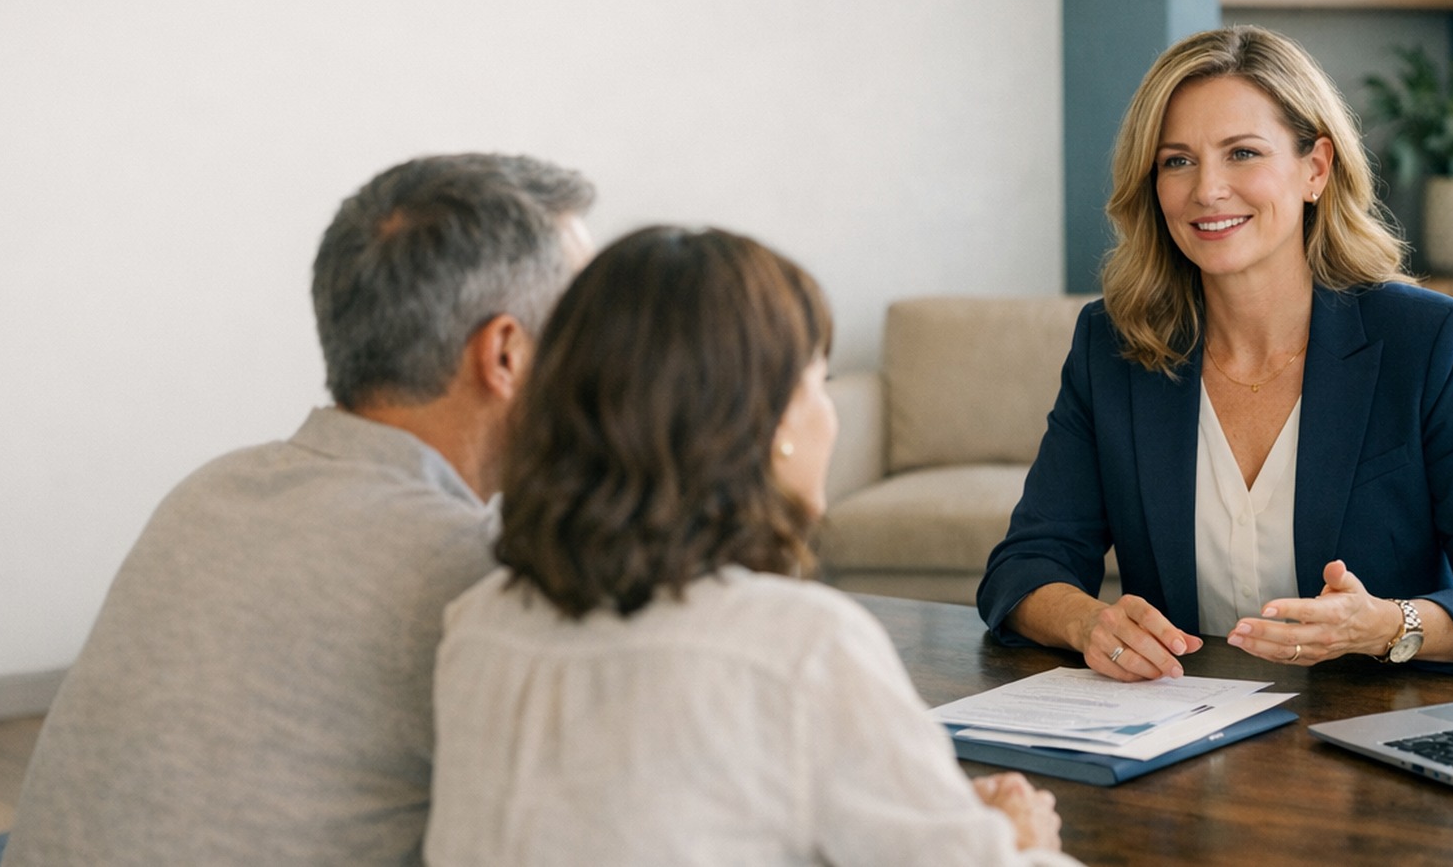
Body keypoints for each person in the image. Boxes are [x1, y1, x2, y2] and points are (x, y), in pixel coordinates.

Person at [2, 154, 595, 867]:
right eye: (586, 328)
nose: (606, 360)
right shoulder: (470, 570)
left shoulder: (211, 490)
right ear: (504, 353)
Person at [424, 226, 1080, 867]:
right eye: (817, 382)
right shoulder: (802, 647)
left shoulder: (477, 624)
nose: (832, 413)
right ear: (767, 424)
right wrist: (1018, 841)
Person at [978, 26, 1453, 681]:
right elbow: (1025, 567)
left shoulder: (1425, 342)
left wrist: (1385, 626)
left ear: (1315, 168)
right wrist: (1089, 621)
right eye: (1178, 160)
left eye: (1242, 153)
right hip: (1181, 741)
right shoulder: (1113, 346)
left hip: (1373, 735)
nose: (1207, 189)